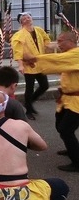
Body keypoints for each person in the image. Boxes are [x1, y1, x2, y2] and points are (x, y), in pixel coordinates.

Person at [24, 31, 79, 172]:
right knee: (60, 125)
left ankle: (77, 161)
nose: (58, 44)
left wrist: (35, 58)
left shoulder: (76, 54)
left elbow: (57, 60)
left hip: (76, 101)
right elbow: (59, 65)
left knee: (66, 129)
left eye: (61, 41)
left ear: (71, 41)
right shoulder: (70, 56)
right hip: (67, 99)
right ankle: (72, 147)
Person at [10, 12, 53, 119]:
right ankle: (28, 111)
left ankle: (29, 102)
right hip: (29, 64)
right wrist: (20, 65)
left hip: (40, 63)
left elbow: (46, 40)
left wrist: (51, 47)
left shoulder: (39, 30)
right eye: (24, 18)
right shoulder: (19, 35)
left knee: (44, 85)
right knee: (29, 88)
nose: (27, 19)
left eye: (28, 17)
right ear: (21, 22)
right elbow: (18, 51)